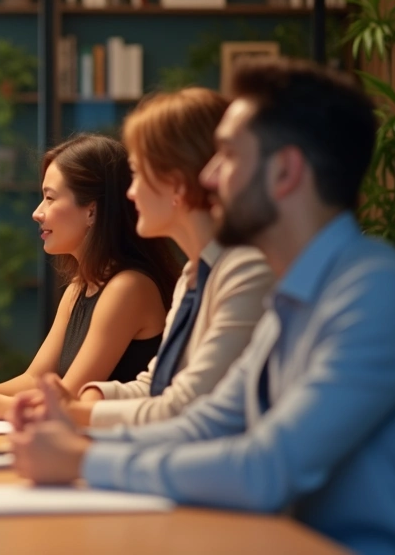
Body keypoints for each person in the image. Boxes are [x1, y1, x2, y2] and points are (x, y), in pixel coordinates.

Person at [7, 58, 395, 554]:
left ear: (285, 172)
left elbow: (266, 467)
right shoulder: (293, 289)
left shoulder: (373, 289)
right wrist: (76, 442)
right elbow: (208, 422)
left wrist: (82, 459)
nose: (208, 177)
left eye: (229, 156)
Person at [48, 89, 275, 427]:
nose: (129, 191)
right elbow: (157, 385)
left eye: (138, 173)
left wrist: (74, 412)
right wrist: (96, 395)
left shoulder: (244, 271)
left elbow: (185, 406)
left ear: (177, 184)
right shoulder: (192, 276)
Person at [0, 133, 180, 420]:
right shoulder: (79, 287)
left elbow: (68, 398)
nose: (37, 212)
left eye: (50, 198)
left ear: (91, 211)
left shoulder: (128, 288)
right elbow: (34, 379)